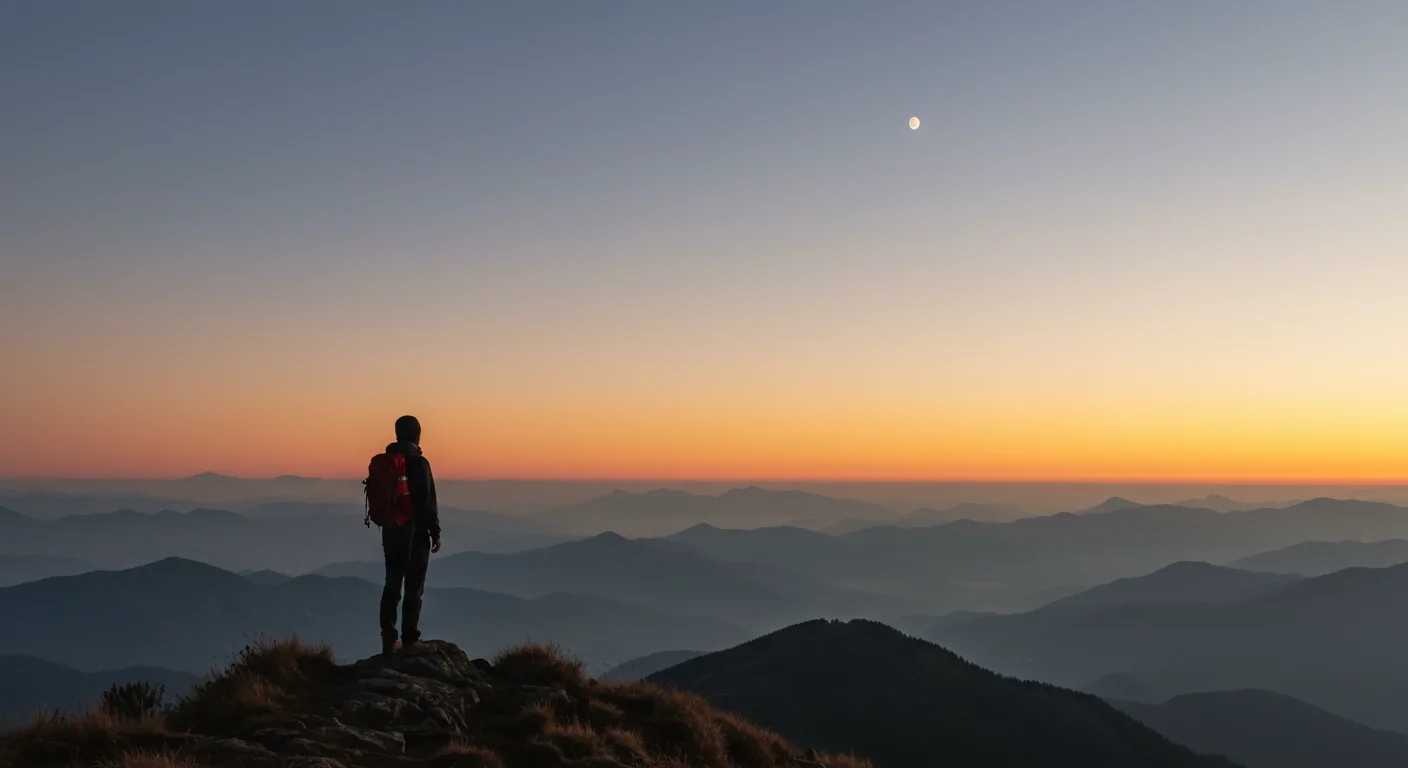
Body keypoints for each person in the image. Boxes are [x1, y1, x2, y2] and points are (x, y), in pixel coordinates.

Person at [380, 415, 442, 655]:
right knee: (414, 586)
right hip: (415, 534)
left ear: (397, 434)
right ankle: (410, 639)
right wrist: (435, 532)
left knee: (392, 584)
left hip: (391, 532)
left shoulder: (386, 461)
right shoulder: (419, 462)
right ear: (418, 434)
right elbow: (427, 503)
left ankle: (388, 638)